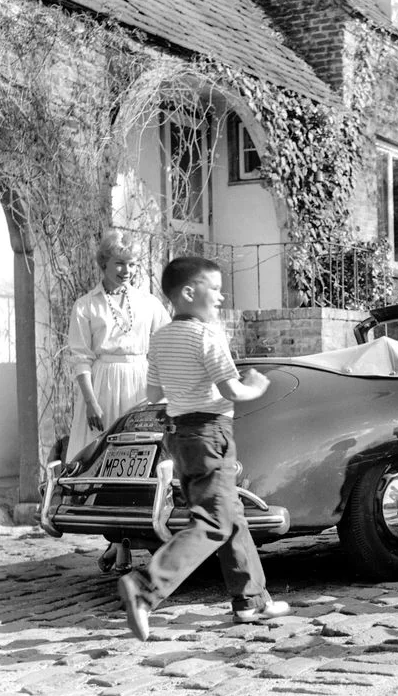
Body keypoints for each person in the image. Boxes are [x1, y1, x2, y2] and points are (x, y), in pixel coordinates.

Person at [117, 256, 288, 641]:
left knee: (230, 514)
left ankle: (251, 600)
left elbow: (153, 393)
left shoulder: (160, 337)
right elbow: (232, 390)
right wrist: (257, 385)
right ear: (189, 292)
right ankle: (145, 588)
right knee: (214, 521)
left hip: (181, 437)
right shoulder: (207, 335)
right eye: (215, 288)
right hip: (212, 433)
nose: (222, 296)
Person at [67, 229, 170, 573]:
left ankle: (131, 542)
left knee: (142, 463)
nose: (126, 270)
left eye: (132, 264)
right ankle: (118, 542)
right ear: (104, 264)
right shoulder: (86, 306)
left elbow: (166, 342)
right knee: (110, 469)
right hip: (104, 385)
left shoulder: (148, 303)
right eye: (119, 263)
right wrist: (91, 402)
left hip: (141, 384)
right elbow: (80, 358)